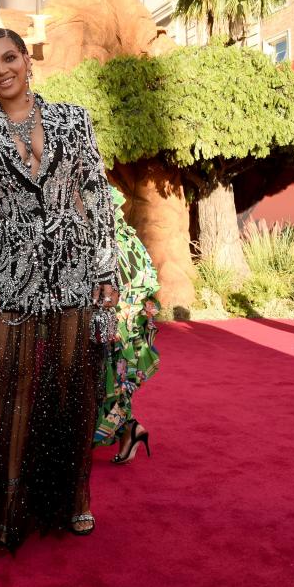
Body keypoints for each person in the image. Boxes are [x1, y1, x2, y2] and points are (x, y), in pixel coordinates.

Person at [0, 28, 119, 549]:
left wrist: (106, 270)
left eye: (10, 58)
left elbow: (96, 193)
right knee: (14, 391)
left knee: (70, 388)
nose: (2, 70)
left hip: (72, 269)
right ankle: (8, 500)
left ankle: (74, 498)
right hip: (11, 278)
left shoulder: (72, 118)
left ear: (27, 60)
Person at [93, 187, 160, 463]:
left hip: (119, 318)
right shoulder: (125, 238)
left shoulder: (109, 240)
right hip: (124, 317)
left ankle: (127, 429)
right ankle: (130, 429)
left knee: (111, 374)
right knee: (112, 375)